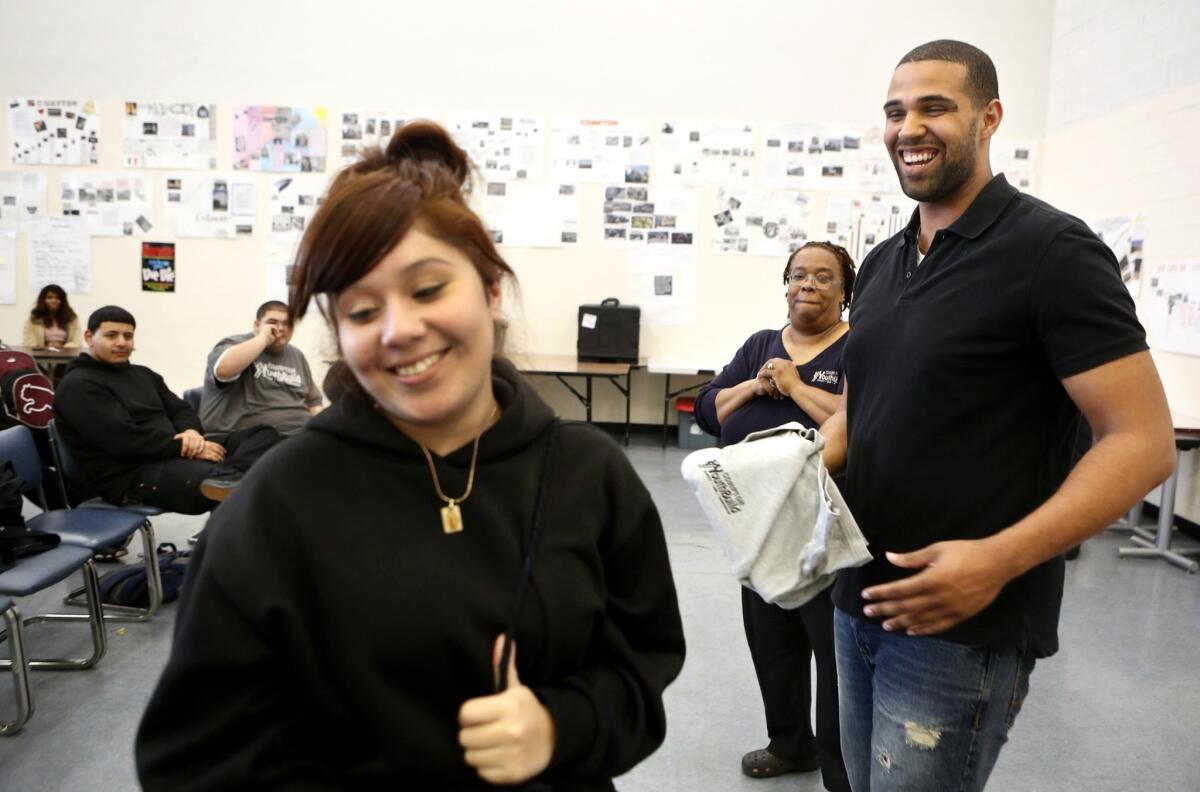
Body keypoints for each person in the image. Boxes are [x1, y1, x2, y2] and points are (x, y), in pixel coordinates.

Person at [136, 122, 686, 790]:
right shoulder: (277, 504)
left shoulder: (589, 475)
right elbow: (192, 759)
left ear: (489, 289)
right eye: (362, 311)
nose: (399, 331)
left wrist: (559, 726)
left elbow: (640, 669)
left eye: (428, 290)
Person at [819, 40, 1175, 791]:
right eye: (894, 111)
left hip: (963, 626)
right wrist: (783, 480)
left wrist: (999, 560)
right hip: (856, 597)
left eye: (934, 107)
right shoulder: (885, 261)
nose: (908, 127)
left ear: (990, 118)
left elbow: (1141, 443)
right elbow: (863, 408)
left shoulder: (1052, 251)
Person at [693, 241, 853, 792]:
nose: (807, 285)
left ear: (844, 292)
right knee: (771, 640)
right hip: (757, 526)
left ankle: (841, 767)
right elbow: (710, 410)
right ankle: (790, 744)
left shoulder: (856, 348)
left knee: (834, 659)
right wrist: (752, 385)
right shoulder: (760, 345)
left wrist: (796, 387)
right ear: (785, 284)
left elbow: (858, 422)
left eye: (823, 278)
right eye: (798, 275)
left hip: (824, 531)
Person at [53, 306, 280, 514]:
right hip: (131, 474)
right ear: (89, 337)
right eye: (112, 335)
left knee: (264, 435)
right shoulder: (78, 385)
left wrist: (191, 433)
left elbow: (180, 409)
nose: (122, 342)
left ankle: (227, 478)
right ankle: (227, 487)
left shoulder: (143, 374)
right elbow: (123, 440)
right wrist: (184, 447)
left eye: (128, 336)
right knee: (251, 481)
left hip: (173, 452)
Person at [199, 300, 324, 442]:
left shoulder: (296, 355)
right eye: (273, 322)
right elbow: (223, 370)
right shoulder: (236, 344)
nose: (280, 328)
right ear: (257, 325)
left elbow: (313, 402)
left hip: (296, 437)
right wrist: (263, 338)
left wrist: (324, 431)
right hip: (245, 438)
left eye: (286, 323)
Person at [22, 283, 82, 350]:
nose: (53, 300)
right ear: (43, 300)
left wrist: (62, 347)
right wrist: (45, 348)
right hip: (40, 356)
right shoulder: (34, 319)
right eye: (49, 297)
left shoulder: (72, 318)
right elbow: (29, 342)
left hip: (66, 355)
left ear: (63, 301)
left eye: (57, 298)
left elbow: (77, 342)